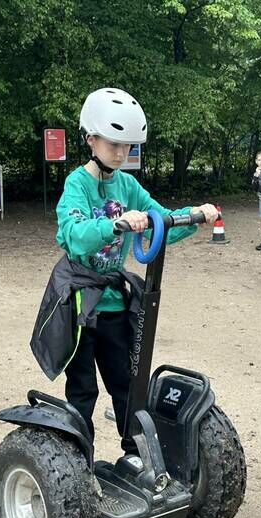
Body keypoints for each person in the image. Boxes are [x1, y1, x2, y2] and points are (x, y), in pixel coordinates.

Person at [54, 87, 218, 453]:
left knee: (126, 385)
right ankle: (76, 463)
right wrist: (115, 224)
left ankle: (134, 456)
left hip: (113, 303)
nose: (121, 153)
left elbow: (161, 222)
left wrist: (194, 215)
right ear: (91, 139)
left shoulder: (127, 185)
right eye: (114, 144)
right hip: (80, 304)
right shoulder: (77, 184)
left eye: (127, 146)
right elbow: (73, 235)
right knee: (82, 391)